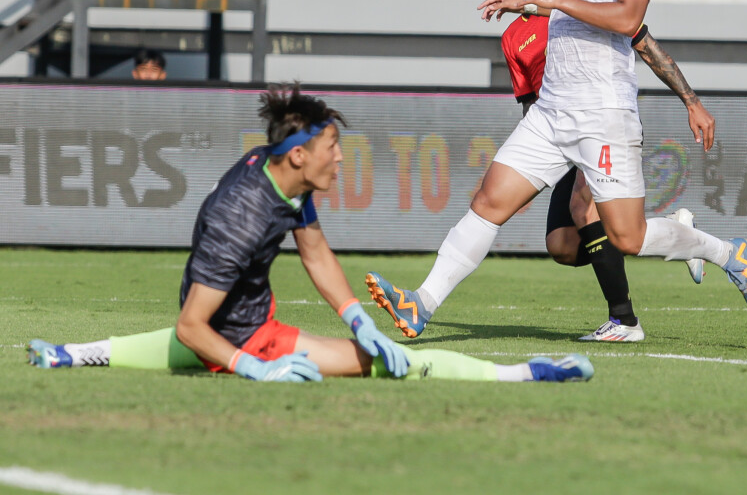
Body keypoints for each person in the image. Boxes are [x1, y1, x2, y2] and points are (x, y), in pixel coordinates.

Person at [365, 0, 747, 341]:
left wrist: (689, 98)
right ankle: (420, 303)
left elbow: (628, 20)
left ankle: (726, 254)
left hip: (603, 117)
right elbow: (577, 19)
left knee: (627, 237)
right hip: (552, 114)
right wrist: (531, 7)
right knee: (491, 201)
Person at [28, 84, 593, 384]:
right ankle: (526, 373)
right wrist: (255, 367)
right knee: (392, 366)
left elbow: (315, 251)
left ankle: (69, 355)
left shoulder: (279, 175)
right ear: (299, 155)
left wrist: (356, 317)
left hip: (249, 324)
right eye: (332, 150)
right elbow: (192, 326)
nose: (341, 160)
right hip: (249, 340)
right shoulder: (240, 216)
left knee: (370, 347)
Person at [498, 0, 711, 343]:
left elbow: (647, 45)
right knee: (562, 246)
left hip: (601, 125)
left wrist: (691, 100)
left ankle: (624, 320)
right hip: (554, 138)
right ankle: (677, 234)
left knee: (584, 210)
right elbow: (529, 102)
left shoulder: (590, 6)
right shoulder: (514, 35)